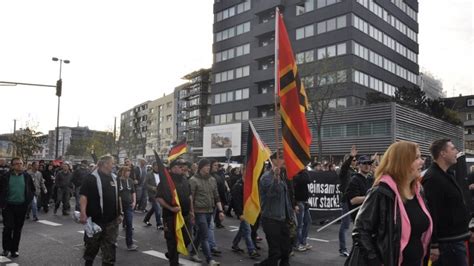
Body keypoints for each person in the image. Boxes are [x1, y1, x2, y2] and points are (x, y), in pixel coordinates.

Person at [348, 141, 432, 266]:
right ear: (402, 162)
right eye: (416, 158)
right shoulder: (381, 192)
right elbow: (360, 232)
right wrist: (375, 262)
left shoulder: (419, 191)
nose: (422, 161)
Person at [422, 139, 471, 266]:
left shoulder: (448, 174)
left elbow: (455, 207)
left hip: (455, 240)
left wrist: (466, 230)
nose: (456, 152)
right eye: (453, 149)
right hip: (446, 244)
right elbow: (431, 213)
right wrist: (434, 244)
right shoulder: (433, 178)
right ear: (443, 153)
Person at [79, 155, 122, 266]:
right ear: (105, 164)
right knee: (92, 246)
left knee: (110, 247)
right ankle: (88, 262)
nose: (114, 165)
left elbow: (118, 197)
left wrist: (120, 214)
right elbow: (83, 196)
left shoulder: (114, 178)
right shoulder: (91, 178)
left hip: (112, 221)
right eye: (112, 163)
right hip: (95, 220)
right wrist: (83, 213)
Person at [254, 151, 294, 266]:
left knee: (286, 249)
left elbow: (285, 197)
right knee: (275, 252)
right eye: (281, 158)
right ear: (273, 161)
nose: (284, 161)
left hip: (282, 219)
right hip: (271, 219)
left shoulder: (281, 176)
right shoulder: (266, 178)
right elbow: (272, 194)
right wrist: (275, 178)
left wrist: (290, 214)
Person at [156, 159, 195, 266]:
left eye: (184, 165)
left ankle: (172, 253)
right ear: (173, 168)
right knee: (172, 241)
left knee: (187, 239)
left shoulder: (185, 179)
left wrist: (192, 212)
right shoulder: (165, 182)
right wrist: (171, 208)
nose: (183, 168)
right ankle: (174, 261)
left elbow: (190, 196)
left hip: (185, 215)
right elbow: (159, 198)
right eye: (180, 166)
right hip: (171, 216)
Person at [189, 159, 224, 266]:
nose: (208, 168)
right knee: (205, 235)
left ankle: (193, 252)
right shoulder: (193, 180)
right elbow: (191, 197)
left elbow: (216, 195)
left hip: (210, 210)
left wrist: (221, 210)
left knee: (200, 234)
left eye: (209, 166)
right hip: (199, 211)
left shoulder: (212, 179)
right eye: (206, 166)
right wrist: (192, 212)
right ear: (200, 167)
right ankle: (210, 259)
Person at [0, 157, 35, 258]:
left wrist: (28, 200)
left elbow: (32, 189)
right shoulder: (5, 176)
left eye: (21, 163)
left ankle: (14, 250)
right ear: (12, 166)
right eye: (17, 164)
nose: (19, 165)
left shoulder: (26, 176)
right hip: (8, 206)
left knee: (17, 229)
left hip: (22, 206)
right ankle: (6, 248)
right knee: (8, 227)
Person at [230, 174, 260, 258]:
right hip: (243, 212)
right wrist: (240, 213)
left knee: (242, 230)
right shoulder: (238, 186)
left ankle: (235, 244)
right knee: (247, 231)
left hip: (248, 211)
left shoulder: (248, 185)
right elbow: (236, 201)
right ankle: (251, 250)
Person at [338, 145, 358, 257]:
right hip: (346, 201)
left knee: (356, 224)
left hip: (354, 201)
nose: (355, 161)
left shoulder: (353, 171)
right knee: (345, 225)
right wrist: (350, 157)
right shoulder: (344, 171)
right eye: (353, 160)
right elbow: (345, 167)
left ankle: (356, 248)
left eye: (355, 160)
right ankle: (342, 249)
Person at [345, 155, 374, 220]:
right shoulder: (354, 180)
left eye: (369, 163)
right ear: (359, 165)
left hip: (370, 216)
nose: (367, 166)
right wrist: (370, 197)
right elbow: (353, 200)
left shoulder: (371, 179)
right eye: (364, 163)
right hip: (359, 217)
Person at [117, 166, 137, 251]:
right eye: (126, 171)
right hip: (118, 205)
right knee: (115, 224)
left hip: (128, 205)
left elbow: (133, 192)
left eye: (129, 171)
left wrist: (134, 202)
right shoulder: (117, 181)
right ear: (122, 172)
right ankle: (112, 240)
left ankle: (130, 243)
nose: (128, 173)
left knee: (129, 223)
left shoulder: (130, 181)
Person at [293, 169, 312, 252]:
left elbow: (308, 179)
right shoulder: (294, 174)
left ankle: (303, 242)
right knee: (299, 225)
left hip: (304, 201)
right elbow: (306, 179)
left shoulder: (302, 173)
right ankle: (297, 244)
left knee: (307, 221)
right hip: (298, 201)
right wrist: (294, 204)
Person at [143, 162, 164, 230]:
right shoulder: (149, 174)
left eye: (158, 166)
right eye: (155, 166)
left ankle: (146, 219)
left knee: (154, 208)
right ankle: (159, 224)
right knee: (158, 209)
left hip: (160, 194)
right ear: (153, 166)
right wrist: (152, 188)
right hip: (153, 194)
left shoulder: (161, 174)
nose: (157, 167)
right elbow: (145, 184)